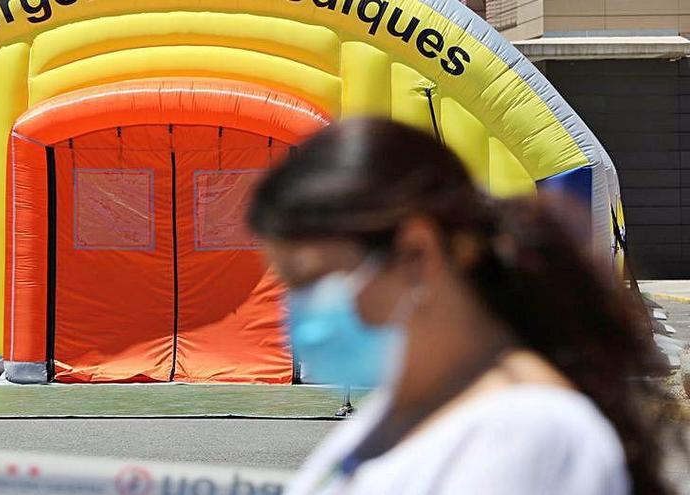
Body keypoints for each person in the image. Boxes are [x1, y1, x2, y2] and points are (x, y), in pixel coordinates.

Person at [247, 119, 679, 494]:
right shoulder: (400, 409)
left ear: (419, 253)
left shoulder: (525, 436)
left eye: (314, 280)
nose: (299, 310)